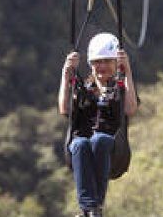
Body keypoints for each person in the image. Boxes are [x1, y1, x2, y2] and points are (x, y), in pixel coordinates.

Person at [58, 32, 139, 217]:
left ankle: (95, 207)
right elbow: (64, 109)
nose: (101, 66)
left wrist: (127, 72)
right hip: (83, 152)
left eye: (107, 62)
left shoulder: (120, 88)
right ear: (91, 65)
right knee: (79, 143)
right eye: (97, 62)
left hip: (113, 152)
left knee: (99, 140)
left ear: (115, 63)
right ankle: (90, 210)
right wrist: (66, 74)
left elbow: (130, 109)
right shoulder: (83, 89)